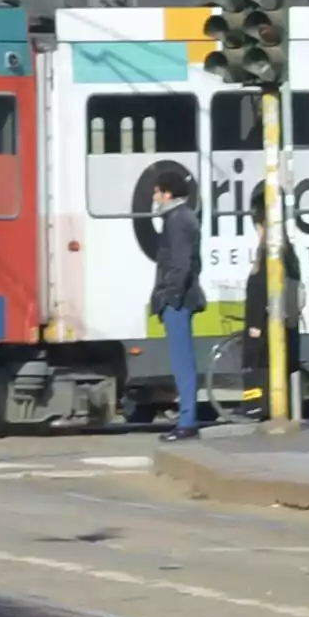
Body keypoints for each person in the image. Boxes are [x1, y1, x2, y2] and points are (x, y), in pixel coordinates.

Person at [134, 159, 208, 439]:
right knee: (183, 361)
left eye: (156, 192)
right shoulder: (181, 218)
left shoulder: (178, 221)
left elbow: (180, 264)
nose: (153, 198)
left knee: (182, 362)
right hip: (179, 300)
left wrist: (170, 298)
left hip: (178, 302)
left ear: (167, 194)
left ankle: (188, 422)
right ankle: (187, 420)